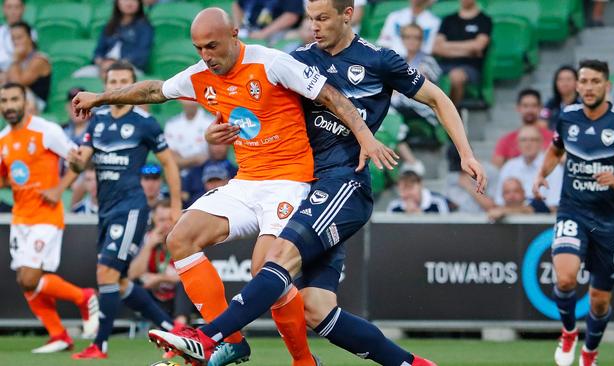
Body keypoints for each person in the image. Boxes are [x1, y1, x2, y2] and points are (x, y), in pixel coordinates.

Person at [146, 2, 486, 366]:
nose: (314, 27)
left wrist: (465, 153)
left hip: (343, 182)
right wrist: (223, 129)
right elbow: (259, 108)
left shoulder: (380, 60)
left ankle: (208, 337)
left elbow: (437, 98)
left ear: (348, 13)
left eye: (322, 18)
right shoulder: (298, 59)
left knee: (274, 261)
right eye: (310, 19)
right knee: (316, 309)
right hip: (303, 187)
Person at [71, 7, 397, 366]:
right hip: (246, 182)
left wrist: (366, 138)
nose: (206, 56)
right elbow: (153, 91)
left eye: (212, 46)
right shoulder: (200, 75)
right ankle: (232, 341)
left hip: (290, 182)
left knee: (266, 270)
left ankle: (303, 361)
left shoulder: (271, 63)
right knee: (180, 238)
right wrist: (100, 98)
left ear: (235, 34)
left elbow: (332, 96)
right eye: (199, 49)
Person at [532, 59, 614, 366]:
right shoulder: (567, 116)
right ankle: (569, 332)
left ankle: (590, 353)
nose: (587, 87)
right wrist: (542, 174)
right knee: (566, 279)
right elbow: (556, 149)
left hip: (609, 220)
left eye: (594, 81)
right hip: (573, 210)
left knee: (599, 302)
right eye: (583, 81)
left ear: (606, 86)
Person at [68, 61, 182, 360]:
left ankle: (100, 346)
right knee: (118, 282)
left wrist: (175, 207)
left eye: (124, 81)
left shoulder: (145, 122)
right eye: (113, 80)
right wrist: (74, 161)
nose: (118, 86)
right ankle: (173, 331)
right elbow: (83, 162)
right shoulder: (98, 121)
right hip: (105, 209)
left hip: (131, 208)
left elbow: (169, 163)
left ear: (133, 85)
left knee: (106, 272)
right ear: (105, 85)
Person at [0, 82, 99, 353]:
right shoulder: (3, 140)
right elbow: (5, 180)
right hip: (20, 217)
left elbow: (78, 161)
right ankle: (59, 335)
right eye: (3, 101)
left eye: (13, 99)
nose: (8, 106)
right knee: (24, 281)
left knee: (30, 279)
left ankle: (85, 297)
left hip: (46, 216)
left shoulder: (46, 130)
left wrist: (59, 188)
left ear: (25, 102)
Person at [128, 199, 194, 327]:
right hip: (155, 296)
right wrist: (148, 246)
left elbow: (192, 275)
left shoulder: (185, 240)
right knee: (135, 284)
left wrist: (160, 278)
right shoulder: (147, 238)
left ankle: (180, 326)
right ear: (154, 221)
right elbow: (133, 274)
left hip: (177, 298)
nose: (166, 224)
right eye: (161, 220)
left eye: (170, 219)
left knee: (185, 285)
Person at [433, 0, 491, 106]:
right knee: (421, 73)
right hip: (444, 65)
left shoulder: (484, 20)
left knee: (456, 77)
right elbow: (436, 48)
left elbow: (479, 46)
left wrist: (447, 46)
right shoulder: (448, 20)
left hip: (470, 67)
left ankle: (452, 114)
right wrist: (468, 50)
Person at [495, 125, 562, 210]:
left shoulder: (554, 168)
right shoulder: (509, 167)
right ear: (517, 144)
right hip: (511, 220)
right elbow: (499, 203)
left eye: (533, 140)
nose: (528, 144)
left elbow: (554, 207)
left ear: (541, 143)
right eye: (523, 140)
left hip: (543, 221)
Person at [390, 23, 442, 130]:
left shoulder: (428, 61)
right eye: (408, 37)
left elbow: (421, 87)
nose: (412, 41)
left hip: (421, 105)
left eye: (416, 38)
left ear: (422, 40)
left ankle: (400, 135)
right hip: (401, 102)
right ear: (402, 39)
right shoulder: (399, 61)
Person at [163, 100, 212, 205]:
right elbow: (170, 160)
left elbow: (214, 156)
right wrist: (195, 159)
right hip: (180, 179)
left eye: (192, 97)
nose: (189, 101)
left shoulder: (210, 122)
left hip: (205, 178)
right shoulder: (172, 124)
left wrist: (182, 161)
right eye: (186, 97)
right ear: (180, 99)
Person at [88, 0, 153, 76]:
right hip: (104, 66)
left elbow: (141, 54)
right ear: (117, 2)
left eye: (134, 0)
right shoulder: (110, 26)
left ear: (139, 3)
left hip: (129, 67)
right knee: (79, 75)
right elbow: (98, 51)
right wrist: (101, 63)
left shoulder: (144, 27)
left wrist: (117, 64)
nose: (129, 3)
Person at [492, 88, 554, 168]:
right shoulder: (506, 140)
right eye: (525, 106)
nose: (529, 110)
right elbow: (496, 169)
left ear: (540, 108)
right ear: (518, 108)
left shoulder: (553, 138)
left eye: (534, 106)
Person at [6, 21, 50, 111]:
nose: (16, 42)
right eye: (13, 39)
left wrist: (15, 60)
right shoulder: (19, 58)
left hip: (35, 104)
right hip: (17, 100)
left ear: (30, 38)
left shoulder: (39, 59)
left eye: (19, 37)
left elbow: (17, 85)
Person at [233, 0, 303, 42]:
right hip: (250, 29)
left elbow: (291, 16)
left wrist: (263, 33)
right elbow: (237, 5)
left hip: (280, 33)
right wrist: (238, 27)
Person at [541, 66, 579, 131]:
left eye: (568, 79)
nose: (564, 83)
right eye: (560, 79)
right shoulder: (550, 104)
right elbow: (542, 123)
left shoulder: (583, 104)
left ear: (577, 82)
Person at [0, 0, 26, 74]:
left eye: (16, 7)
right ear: (3, 9)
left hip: (19, 76)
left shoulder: (30, 33)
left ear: (23, 9)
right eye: (9, 7)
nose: (13, 12)